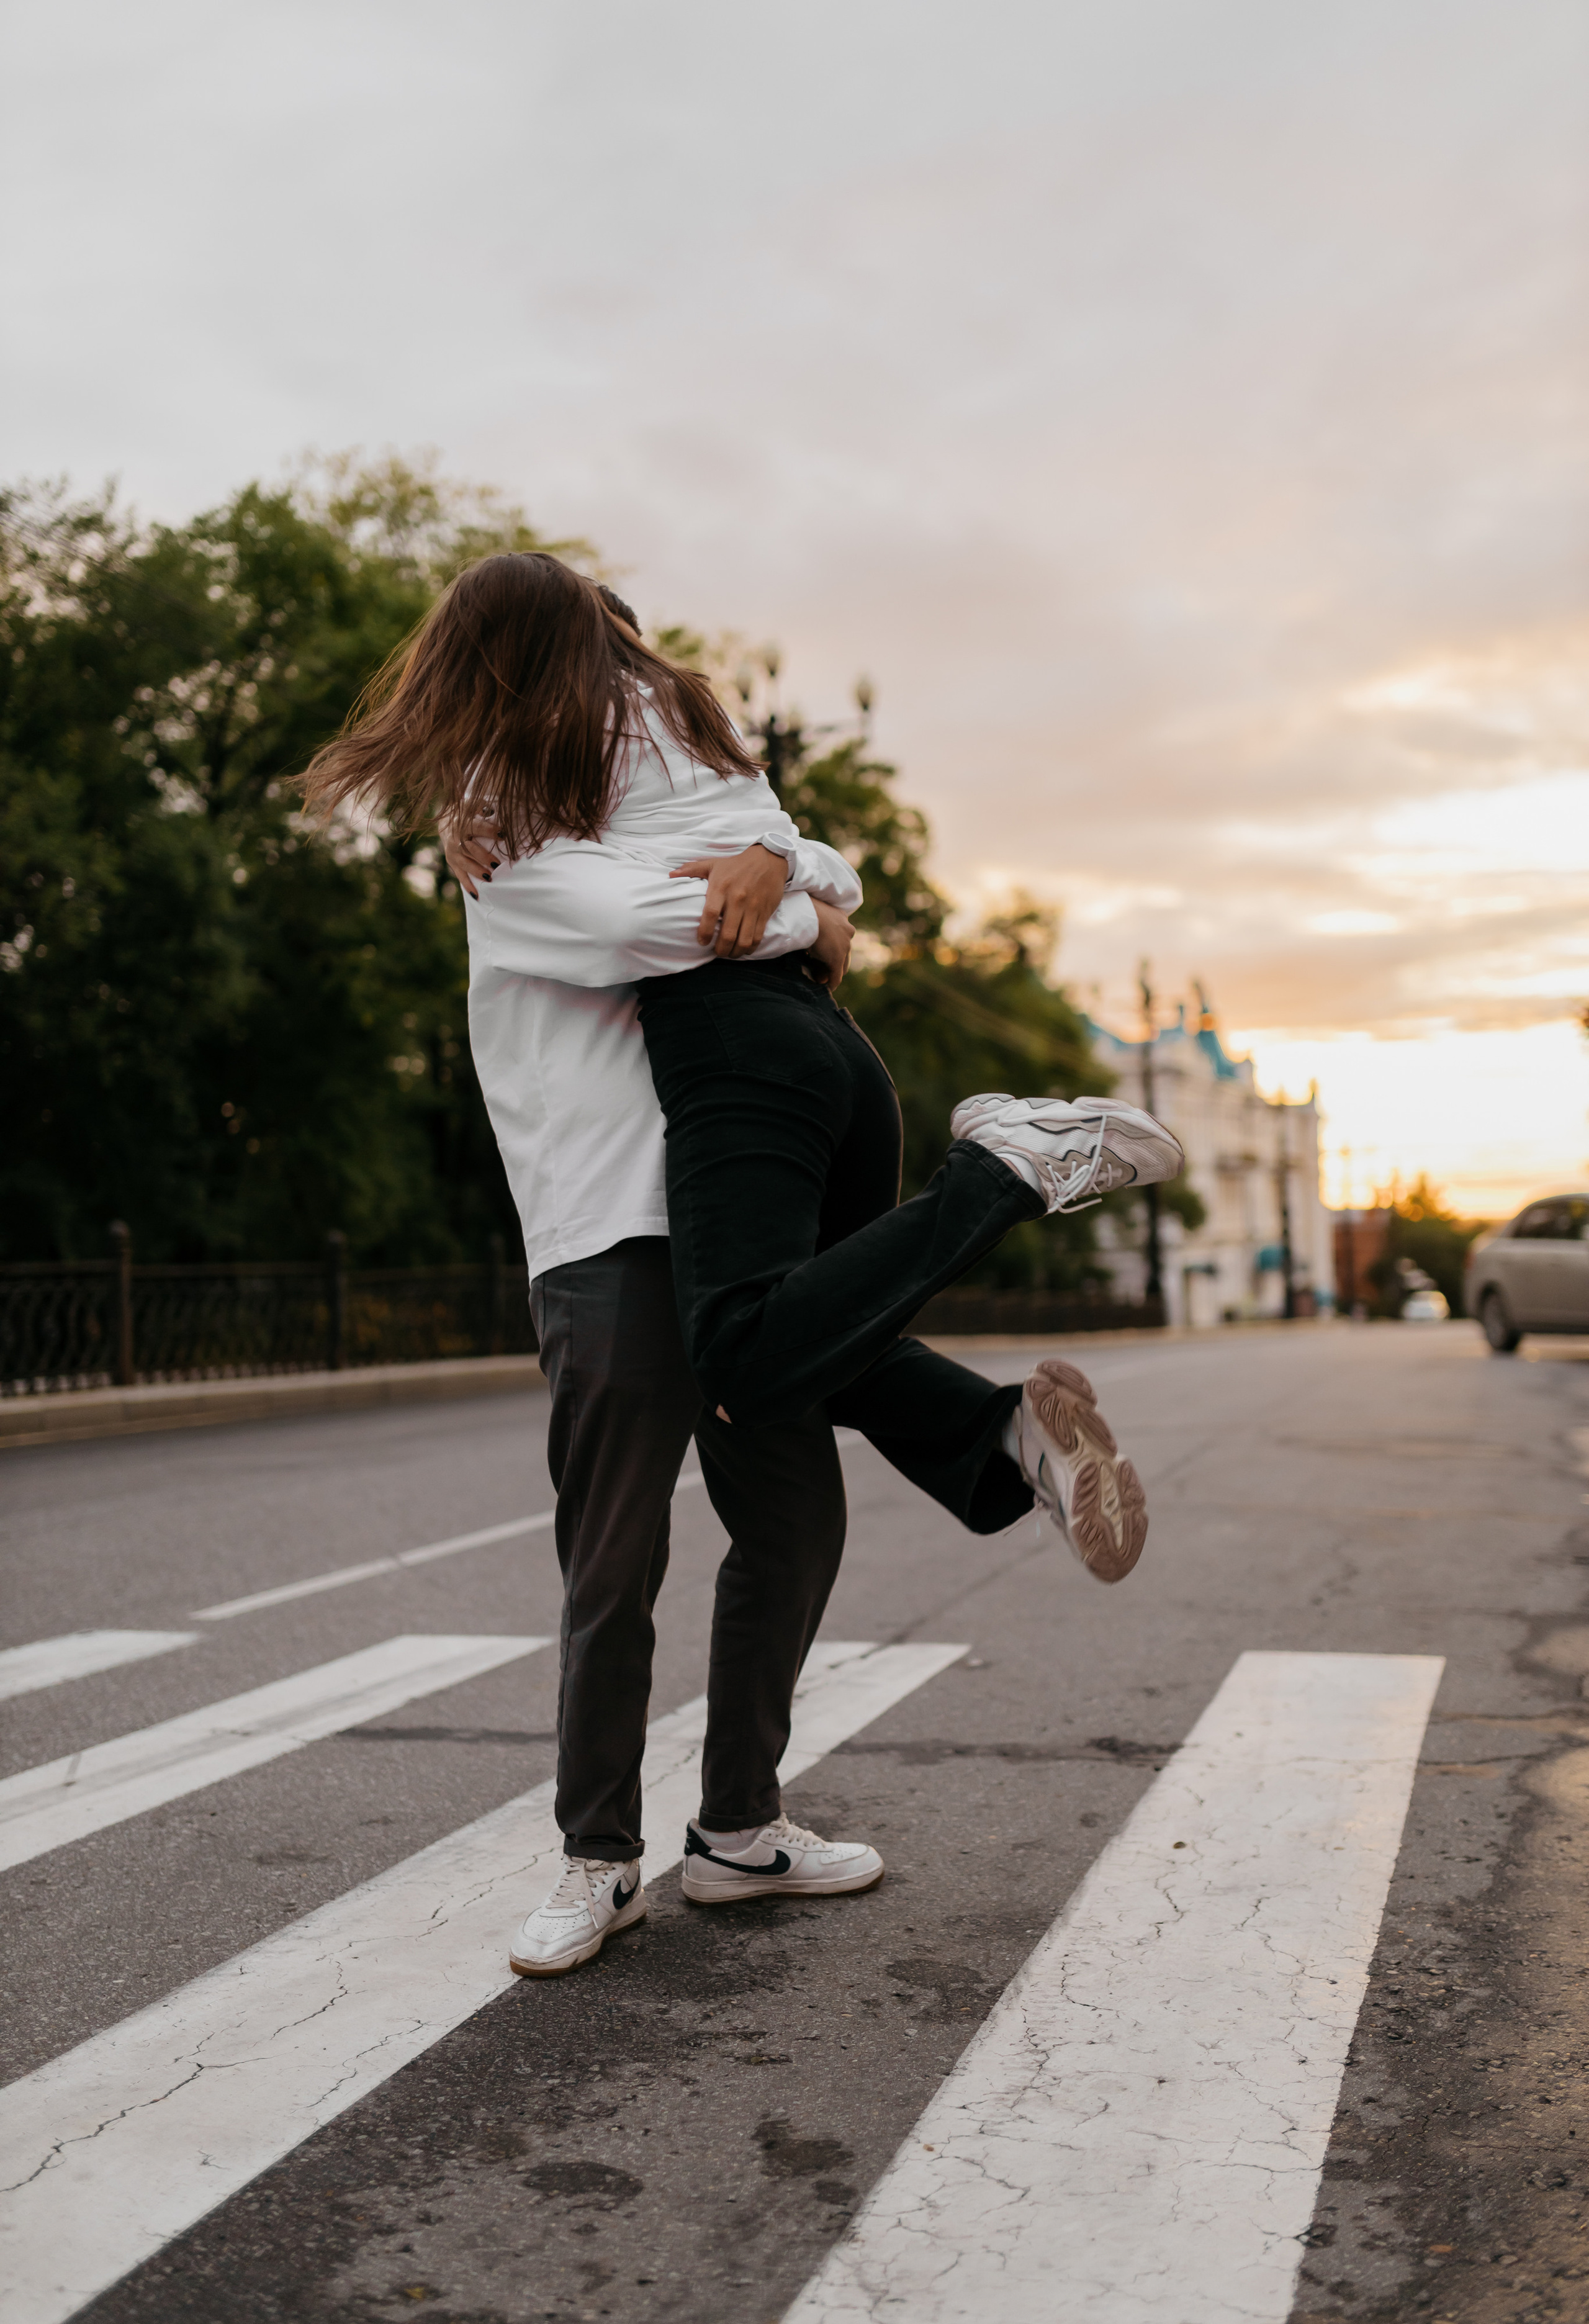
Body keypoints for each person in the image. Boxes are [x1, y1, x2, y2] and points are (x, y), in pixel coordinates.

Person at [302, 557, 1182, 1977]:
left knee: (790, 1522)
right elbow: (665, 926)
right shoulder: (507, 849)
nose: (623, 689)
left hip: (718, 1208)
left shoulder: (628, 794)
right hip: (603, 1234)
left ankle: (738, 1834)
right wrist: (801, 906)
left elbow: (776, 853)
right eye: (594, 668)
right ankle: (597, 1859)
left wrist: (794, 863)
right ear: (533, 685)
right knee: (616, 1557)